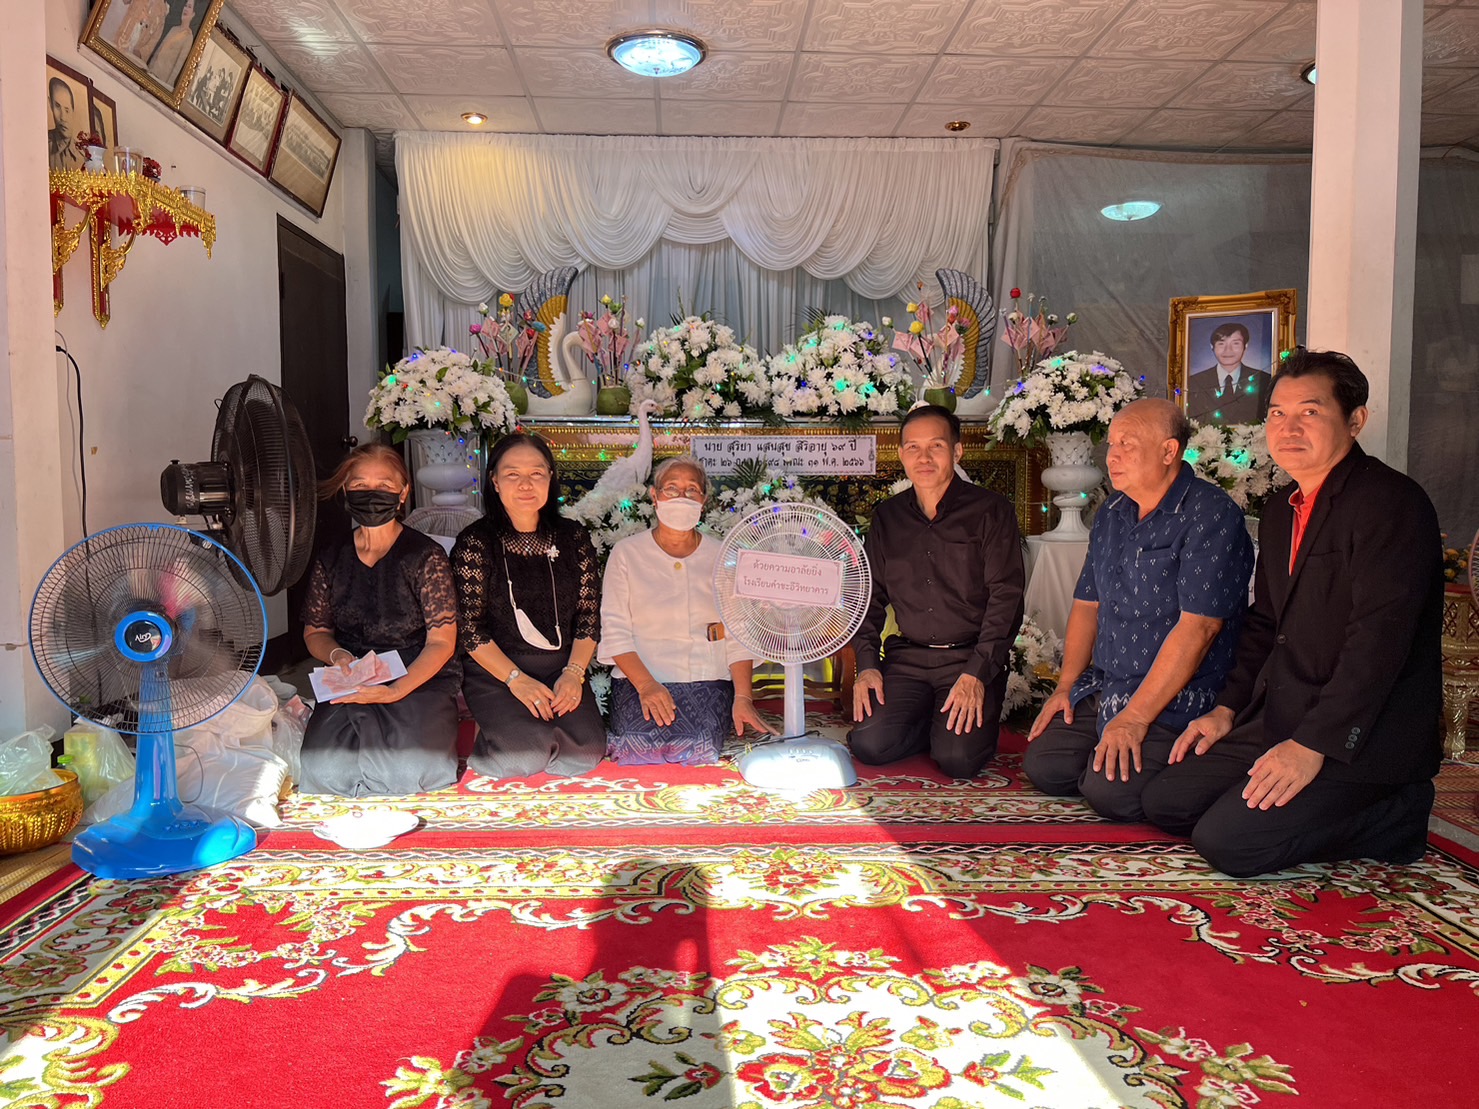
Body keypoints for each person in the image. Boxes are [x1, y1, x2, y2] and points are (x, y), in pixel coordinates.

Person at [1141, 349, 1443, 876]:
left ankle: (1397, 813)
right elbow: (1265, 622)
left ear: (1355, 420)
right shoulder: (1282, 508)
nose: (1289, 428)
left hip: (1360, 733)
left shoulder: (1391, 502)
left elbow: (1378, 643)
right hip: (1281, 714)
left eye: (1310, 411)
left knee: (1228, 843)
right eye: (1278, 413)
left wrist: (1311, 745)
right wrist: (1227, 708)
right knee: (1165, 802)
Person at [1023, 399, 1254, 820]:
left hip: (1178, 693)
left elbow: (1200, 628)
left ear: (1169, 451)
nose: (1113, 456)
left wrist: (1135, 718)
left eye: (1127, 444)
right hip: (1108, 683)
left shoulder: (1211, 514)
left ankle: (1186, 761)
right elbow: (1087, 604)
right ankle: (1112, 744)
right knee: (1046, 766)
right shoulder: (1112, 511)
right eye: (1111, 444)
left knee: (1111, 794)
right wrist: (1066, 686)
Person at [848, 404, 1025, 778]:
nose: (924, 458)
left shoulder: (991, 511)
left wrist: (978, 672)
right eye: (913, 447)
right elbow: (868, 595)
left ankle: (956, 727)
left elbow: (1006, 596)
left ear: (957, 451)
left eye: (936, 446)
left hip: (968, 658)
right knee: (869, 744)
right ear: (901, 454)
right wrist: (868, 665)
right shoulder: (888, 517)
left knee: (958, 759)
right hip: (908, 659)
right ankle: (930, 722)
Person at [299, 445, 461, 796]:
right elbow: (316, 631)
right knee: (323, 769)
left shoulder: (425, 556)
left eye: (384, 485)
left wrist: (396, 690)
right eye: (360, 485)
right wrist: (339, 657)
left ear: (403, 493)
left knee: (412, 770)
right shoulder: (332, 555)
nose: (371, 493)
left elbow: (441, 642)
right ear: (345, 490)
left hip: (416, 674)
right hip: (352, 674)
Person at [598, 456, 770, 765]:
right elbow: (615, 630)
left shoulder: (723, 556)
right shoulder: (626, 553)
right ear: (654, 496)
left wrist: (743, 697)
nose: (682, 496)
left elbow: (738, 631)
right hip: (638, 681)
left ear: (703, 500)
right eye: (671, 488)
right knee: (638, 749)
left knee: (699, 749)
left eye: (691, 489)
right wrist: (647, 686)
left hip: (707, 679)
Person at [453, 432, 606, 778]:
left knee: (585, 753)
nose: (526, 484)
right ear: (494, 481)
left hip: (561, 668)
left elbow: (587, 616)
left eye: (536, 473)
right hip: (497, 670)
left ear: (550, 478)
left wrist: (573, 674)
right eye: (512, 474)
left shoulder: (573, 537)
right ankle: (491, 735)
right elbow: (470, 629)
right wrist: (516, 679)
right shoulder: (476, 542)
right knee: (523, 755)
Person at [1186, 321, 1273, 425]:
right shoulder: (1194, 382)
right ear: (1212, 347)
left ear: (1245, 346)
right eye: (1221, 344)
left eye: (1235, 343)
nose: (1228, 350)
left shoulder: (1263, 380)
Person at [147, 0, 196, 86]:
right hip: (152, 72)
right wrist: (149, 69)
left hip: (162, 81)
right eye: (185, 6)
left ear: (193, 14)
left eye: (189, 7)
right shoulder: (174, 29)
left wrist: (167, 85)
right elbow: (159, 50)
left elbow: (178, 66)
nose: (185, 9)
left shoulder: (188, 37)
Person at [47, 79, 82, 173]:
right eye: (57, 106)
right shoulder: (43, 145)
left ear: (73, 111)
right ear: (50, 104)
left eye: (67, 110)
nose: (62, 117)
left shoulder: (83, 155)